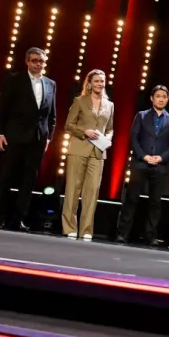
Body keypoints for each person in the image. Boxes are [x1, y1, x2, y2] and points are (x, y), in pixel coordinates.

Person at [0, 47, 58, 231]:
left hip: (37, 139)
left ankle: (19, 219)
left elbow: (51, 115)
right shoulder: (14, 79)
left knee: (28, 181)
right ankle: (0, 217)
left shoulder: (50, 84)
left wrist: (48, 138)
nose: (38, 64)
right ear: (27, 61)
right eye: (35, 60)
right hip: (14, 137)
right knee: (6, 177)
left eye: (41, 61)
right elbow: (1, 108)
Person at [117, 85, 169, 246]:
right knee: (131, 199)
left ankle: (150, 236)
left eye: (164, 97)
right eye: (158, 96)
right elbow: (134, 138)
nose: (161, 99)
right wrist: (144, 156)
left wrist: (161, 157)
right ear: (152, 98)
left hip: (159, 166)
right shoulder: (142, 116)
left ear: (167, 99)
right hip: (140, 164)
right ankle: (123, 233)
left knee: (155, 203)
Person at [61, 69, 114, 241]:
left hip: (98, 152)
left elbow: (110, 128)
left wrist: (108, 138)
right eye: (97, 81)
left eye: (102, 81)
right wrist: (85, 131)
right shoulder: (79, 101)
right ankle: (69, 227)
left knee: (92, 192)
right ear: (89, 83)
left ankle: (86, 230)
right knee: (73, 189)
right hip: (78, 148)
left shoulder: (109, 105)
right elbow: (69, 125)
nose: (100, 84)